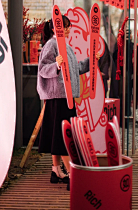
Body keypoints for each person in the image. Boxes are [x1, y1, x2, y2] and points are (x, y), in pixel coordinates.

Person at [37, 16, 100, 191]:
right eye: (63, 27)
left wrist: (91, 61)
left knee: (58, 134)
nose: (66, 29)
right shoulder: (52, 45)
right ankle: (73, 175)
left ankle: (56, 170)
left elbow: (76, 68)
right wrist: (56, 65)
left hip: (65, 96)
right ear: (53, 28)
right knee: (64, 137)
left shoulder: (66, 45)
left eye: (67, 26)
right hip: (59, 97)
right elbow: (42, 69)